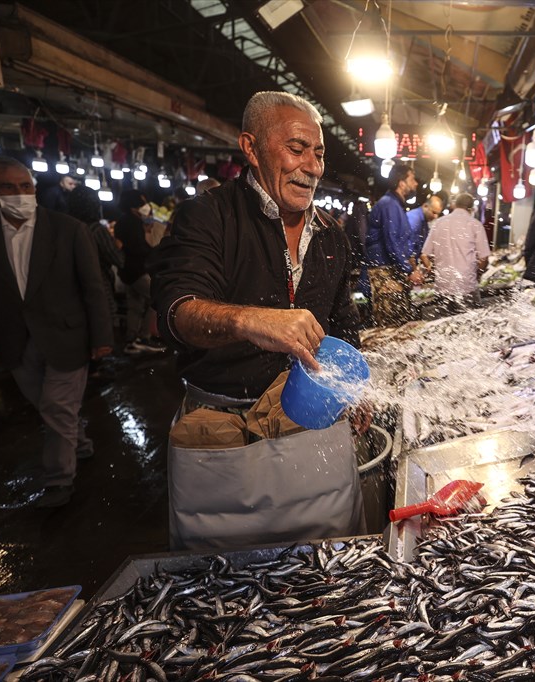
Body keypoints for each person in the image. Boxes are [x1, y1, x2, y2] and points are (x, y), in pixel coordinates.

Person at [149, 91, 367, 545]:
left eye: (319, 153)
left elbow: (343, 323)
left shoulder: (332, 236)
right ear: (250, 147)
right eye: (296, 149)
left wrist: (355, 387)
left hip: (311, 431)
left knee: (328, 565)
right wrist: (250, 320)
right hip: (222, 441)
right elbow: (176, 311)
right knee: (223, 570)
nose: (312, 166)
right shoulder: (207, 216)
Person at [0, 157, 112, 508]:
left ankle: (59, 479)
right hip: (14, 337)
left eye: (25, 186)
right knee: (48, 405)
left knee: (56, 406)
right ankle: (79, 441)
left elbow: (93, 288)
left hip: (67, 335)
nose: (20, 193)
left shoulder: (68, 229)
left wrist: (102, 337)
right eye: (8, 187)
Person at [413, 193, 490, 314]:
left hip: (443, 287)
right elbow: (484, 258)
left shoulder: (438, 223)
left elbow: (424, 254)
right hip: (466, 287)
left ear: (454, 205)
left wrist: (432, 270)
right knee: (470, 322)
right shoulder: (475, 225)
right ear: (471, 209)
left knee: (444, 323)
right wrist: (478, 274)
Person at [364, 163, 417, 326]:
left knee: (399, 321)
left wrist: (410, 260)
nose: (416, 184)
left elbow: (400, 240)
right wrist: (408, 269)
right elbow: (391, 241)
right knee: (389, 323)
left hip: (390, 269)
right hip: (383, 271)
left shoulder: (396, 205)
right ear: (402, 183)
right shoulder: (389, 204)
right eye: (412, 179)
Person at [115, 190, 164, 354]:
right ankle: (144, 337)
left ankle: (131, 341)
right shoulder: (133, 222)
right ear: (133, 205)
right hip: (137, 271)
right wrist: (155, 252)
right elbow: (138, 247)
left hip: (127, 271)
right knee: (157, 298)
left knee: (134, 306)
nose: (145, 206)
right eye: (142, 202)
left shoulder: (122, 221)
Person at [68, 186, 123, 324]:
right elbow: (118, 259)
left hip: (73, 287)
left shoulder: (68, 227)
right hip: (100, 284)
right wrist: (119, 246)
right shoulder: (97, 230)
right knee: (105, 322)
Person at [406, 193, 444, 266]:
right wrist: (414, 270)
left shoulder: (424, 222)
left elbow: (422, 249)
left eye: (437, 214)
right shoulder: (414, 219)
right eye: (434, 212)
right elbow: (408, 251)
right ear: (425, 206)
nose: (435, 217)